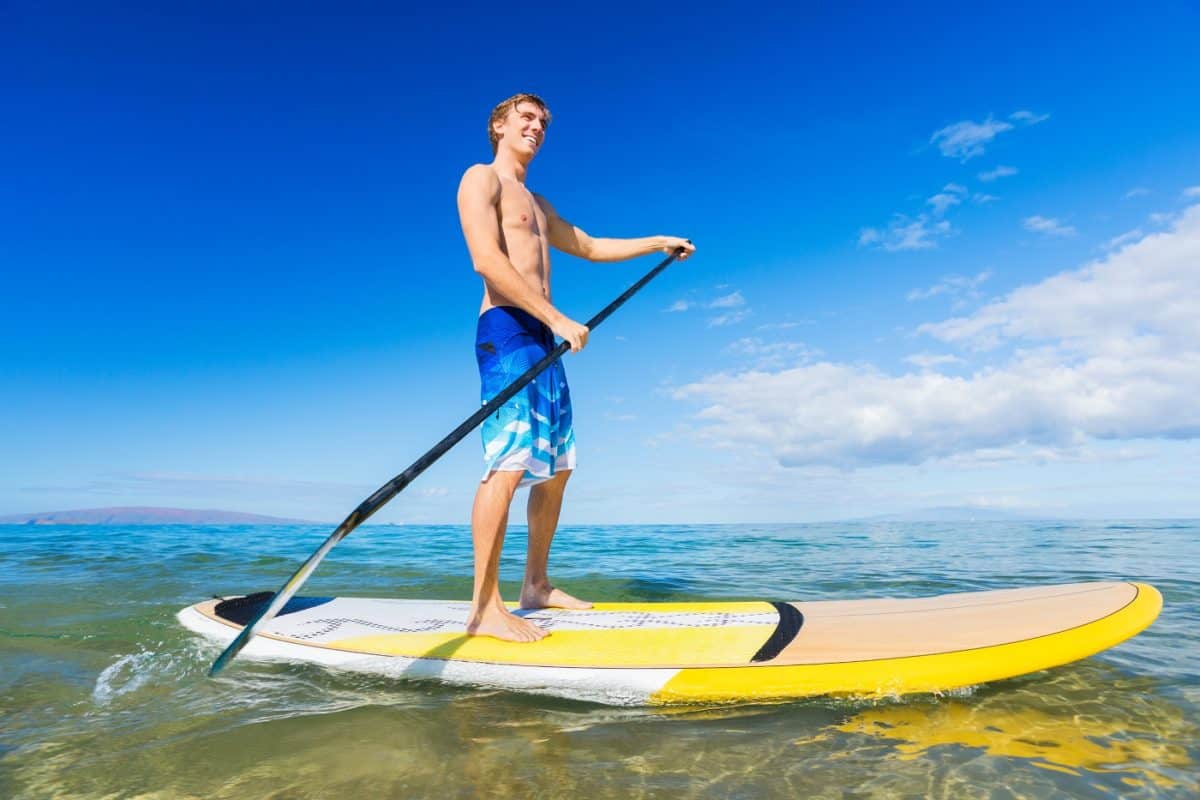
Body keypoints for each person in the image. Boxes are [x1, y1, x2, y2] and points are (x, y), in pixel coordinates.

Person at [457, 93, 694, 642]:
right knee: (509, 463)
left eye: (542, 122)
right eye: (525, 118)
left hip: (544, 336)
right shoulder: (480, 179)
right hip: (508, 331)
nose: (536, 127)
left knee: (559, 468)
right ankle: (482, 609)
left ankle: (535, 586)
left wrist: (656, 241)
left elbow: (586, 245)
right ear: (498, 126)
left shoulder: (537, 203)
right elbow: (486, 260)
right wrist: (557, 317)